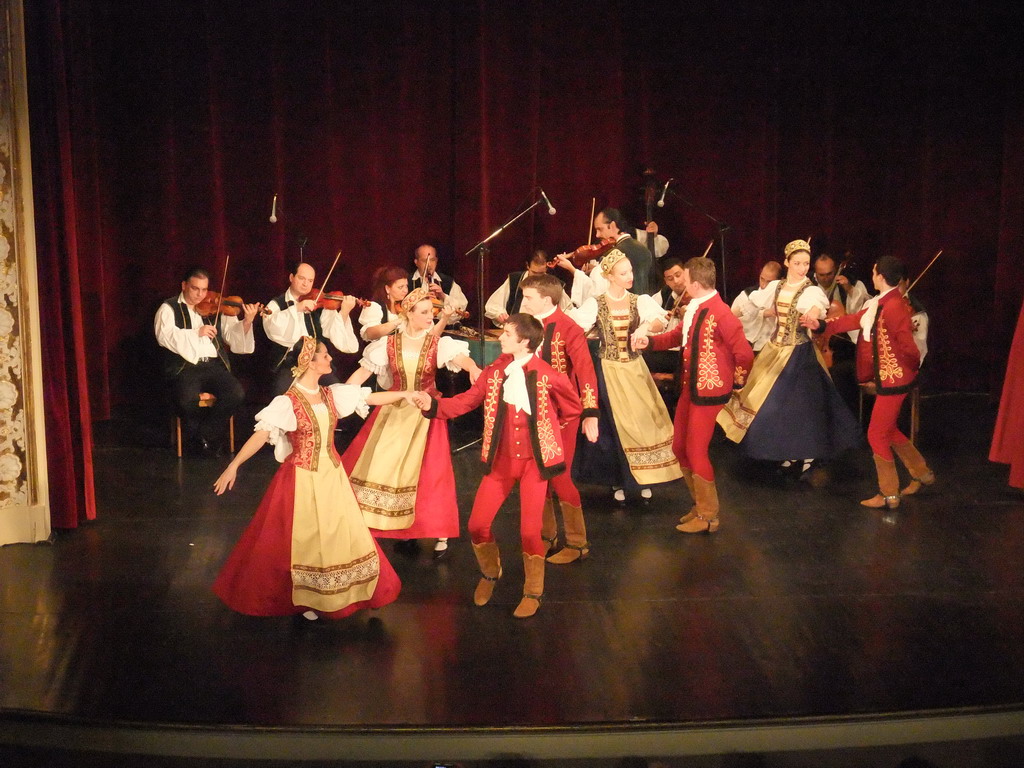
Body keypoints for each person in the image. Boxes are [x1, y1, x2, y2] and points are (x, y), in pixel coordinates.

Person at [211, 337, 413, 621]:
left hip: (332, 475)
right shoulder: (289, 401)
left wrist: (404, 395)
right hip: (303, 478)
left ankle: (358, 592)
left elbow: (369, 397)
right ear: (309, 361)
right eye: (325, 356)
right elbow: (262, 434)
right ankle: (312, 598)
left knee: (343, 534)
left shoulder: (331, 394)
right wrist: (234, 465)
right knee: (309, 539)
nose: (330, 360)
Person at [415, 313, 582, 618]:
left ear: (525, 341)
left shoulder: (549, 375)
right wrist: (434, 406)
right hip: (502, 461)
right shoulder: (495, 372)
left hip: (535, 464)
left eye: (507, 334)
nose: (501, 337)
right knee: (477, 525)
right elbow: (466, 401)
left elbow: (573, 408)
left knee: (530, 532)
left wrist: (549, 429)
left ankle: (533, 590)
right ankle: (491, 573)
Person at [343, 287, 481, 560]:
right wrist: (343, 392)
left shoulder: (436, 343)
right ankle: (381, 524)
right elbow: (363, 372)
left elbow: (460, 358)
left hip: (427, 415)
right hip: (394, 411)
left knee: (430, 473)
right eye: (425, 312)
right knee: (382, 467)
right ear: (409, 313)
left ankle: (438, 530)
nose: (431, 316)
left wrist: (473, 368)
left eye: (432, 312)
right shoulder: (388, 345)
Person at [716, 239, 861, 471]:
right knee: (767, 406)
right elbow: (752, 305)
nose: (802, 268)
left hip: (799, 354)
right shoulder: (777, 287)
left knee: (798, 408)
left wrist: (812, 317)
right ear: (787, 262)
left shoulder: (810, 290)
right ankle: (786, 452)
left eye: (806, 263)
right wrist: (724, 315)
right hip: (774, 351)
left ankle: (806, 453)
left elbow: (814, 307)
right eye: (797, 263)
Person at [633, 257, 753, 533]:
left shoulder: (721, 313)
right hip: (690, 386)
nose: (682, 286)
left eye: (685, 281)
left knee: (696, 451)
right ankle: (700, 505)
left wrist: (735, 382)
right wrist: (650, 342)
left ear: (696, 284)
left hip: (710, 390)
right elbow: (678, 337)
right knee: (679, 447)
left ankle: (709, 515)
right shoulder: (695, 308)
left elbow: (744, 354)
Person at [816, 256, 934, 508]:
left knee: (876, 434)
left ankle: (889, 493)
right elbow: (852, 320)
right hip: (889, 378)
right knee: (889, 431)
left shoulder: (894, 306)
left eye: (874, 271)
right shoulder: (879, 303)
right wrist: (821, 326)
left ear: (880, 276)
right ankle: (922, 473)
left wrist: (906, 370)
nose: (872, 274)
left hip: (895, 380)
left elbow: (909, 348)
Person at [571, 249, 683, 502]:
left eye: (631, 271)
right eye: (623, 273)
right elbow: (575, 327)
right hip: (608, 371)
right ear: (609, 276)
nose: (630, 276)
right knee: (614, 427)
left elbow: (659, 321)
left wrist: (644, 328)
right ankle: (619, 480)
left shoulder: (639, 301)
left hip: (634, 370)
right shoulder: (596, 303)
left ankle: (643, 477)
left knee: (643, 422)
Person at [518, 274, 600, 563]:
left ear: (547, 299)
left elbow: (586, 371)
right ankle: (547, 535)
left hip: (561, 414)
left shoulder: (568, 328)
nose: (523, 302)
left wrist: (590, 412)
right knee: (537, 472)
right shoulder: (525, 325)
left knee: (560, 475)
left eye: (528, 297)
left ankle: (577, 542)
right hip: (530, 410)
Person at [155, 266, 259, 455]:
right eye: (195, 289)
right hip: (185, 367)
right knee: (187, 399)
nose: (200, 295)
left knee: (236, 393)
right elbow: (165, 336)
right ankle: (203, 439)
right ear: (184, 285)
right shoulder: (169, 308)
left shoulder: (216, 307)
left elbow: (232, 338)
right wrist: (197, 332)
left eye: (204, 290)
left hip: (212, 366)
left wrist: (247, 322)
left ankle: (204, 436)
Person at [263, 261, 360, 395]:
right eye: (301, 278)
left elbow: (332, 332)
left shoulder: (319, 302)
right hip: (290, 362)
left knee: (336, 393)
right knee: (280, 396)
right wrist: (296, 308)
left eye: (310, 281)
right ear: (291, 277)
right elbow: (272, 328)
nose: (305, 284)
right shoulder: (276, 304)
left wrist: (344, 312)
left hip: (317, 361)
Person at [557, 208, 667, 302]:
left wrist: (571, 269)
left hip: (621, 309)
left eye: (600, 229)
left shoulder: (614, 254)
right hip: (641, 307)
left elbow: (596, 291)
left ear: (613, 225)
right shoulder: (644, 250)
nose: (597, 234)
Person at [812, 253, 870, 409]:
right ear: (815, 273)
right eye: (821, 275)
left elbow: (859, 314)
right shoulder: (809, 288)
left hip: (845, 348)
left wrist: (849, 289)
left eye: (829, 274)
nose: (825, 278)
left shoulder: (851, 284)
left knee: (839, 375)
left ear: (836, 270)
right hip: (816, 344)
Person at [484, 250, 573, 326]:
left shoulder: (555, 285)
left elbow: (568, 311)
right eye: (534, 272)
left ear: (546, 267)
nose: (537, 277)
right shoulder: (515, 280)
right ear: (527, 266)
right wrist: (499, 314)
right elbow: (493, 304)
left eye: (541, 273)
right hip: (517, 332)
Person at [731, 260, 783, 352]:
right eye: (762, 279)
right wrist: (762, 314)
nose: (763, 285)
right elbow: (733, 318)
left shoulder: (783, 298)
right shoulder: (747, 294)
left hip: (771, 348)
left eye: (769, 282)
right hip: (746, 345)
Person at [409, 243, 469, 315]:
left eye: (432, 260)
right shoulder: (407, 282)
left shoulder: (447, 281)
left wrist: (443, 296)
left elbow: (462, 307)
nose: (429, 265)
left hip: (445, 326)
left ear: (436, 260)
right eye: (425, 261)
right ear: (416, 262)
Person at [357, 266, 409, 342]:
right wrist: (397, 322)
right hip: (382, 349)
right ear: (387, 288)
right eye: (400, 287)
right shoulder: (375, 306)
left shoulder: (405, 306)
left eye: (406, 286)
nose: (405, 291)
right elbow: (370, 334)